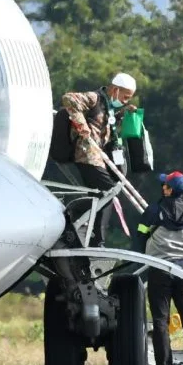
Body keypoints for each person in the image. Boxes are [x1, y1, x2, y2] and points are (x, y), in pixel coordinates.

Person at [132, 171, 183, 365]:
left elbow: (141, 235)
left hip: (160, 270)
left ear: (170, 190)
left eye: (165, 185)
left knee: (161, 322)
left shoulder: (154, 210)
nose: (162, 187)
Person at [61, 72, 137, 246]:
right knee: (108, 190)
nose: (125, 100)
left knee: (103, 193)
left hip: (98, 157)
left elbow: (104, 126)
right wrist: (82, 126)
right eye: (125, 97)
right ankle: (95, 236)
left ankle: (90, 232)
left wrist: (123, 113)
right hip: (87, 155)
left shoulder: (108, 106)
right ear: (115, 90)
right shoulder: (94, 98)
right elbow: (69, 98)